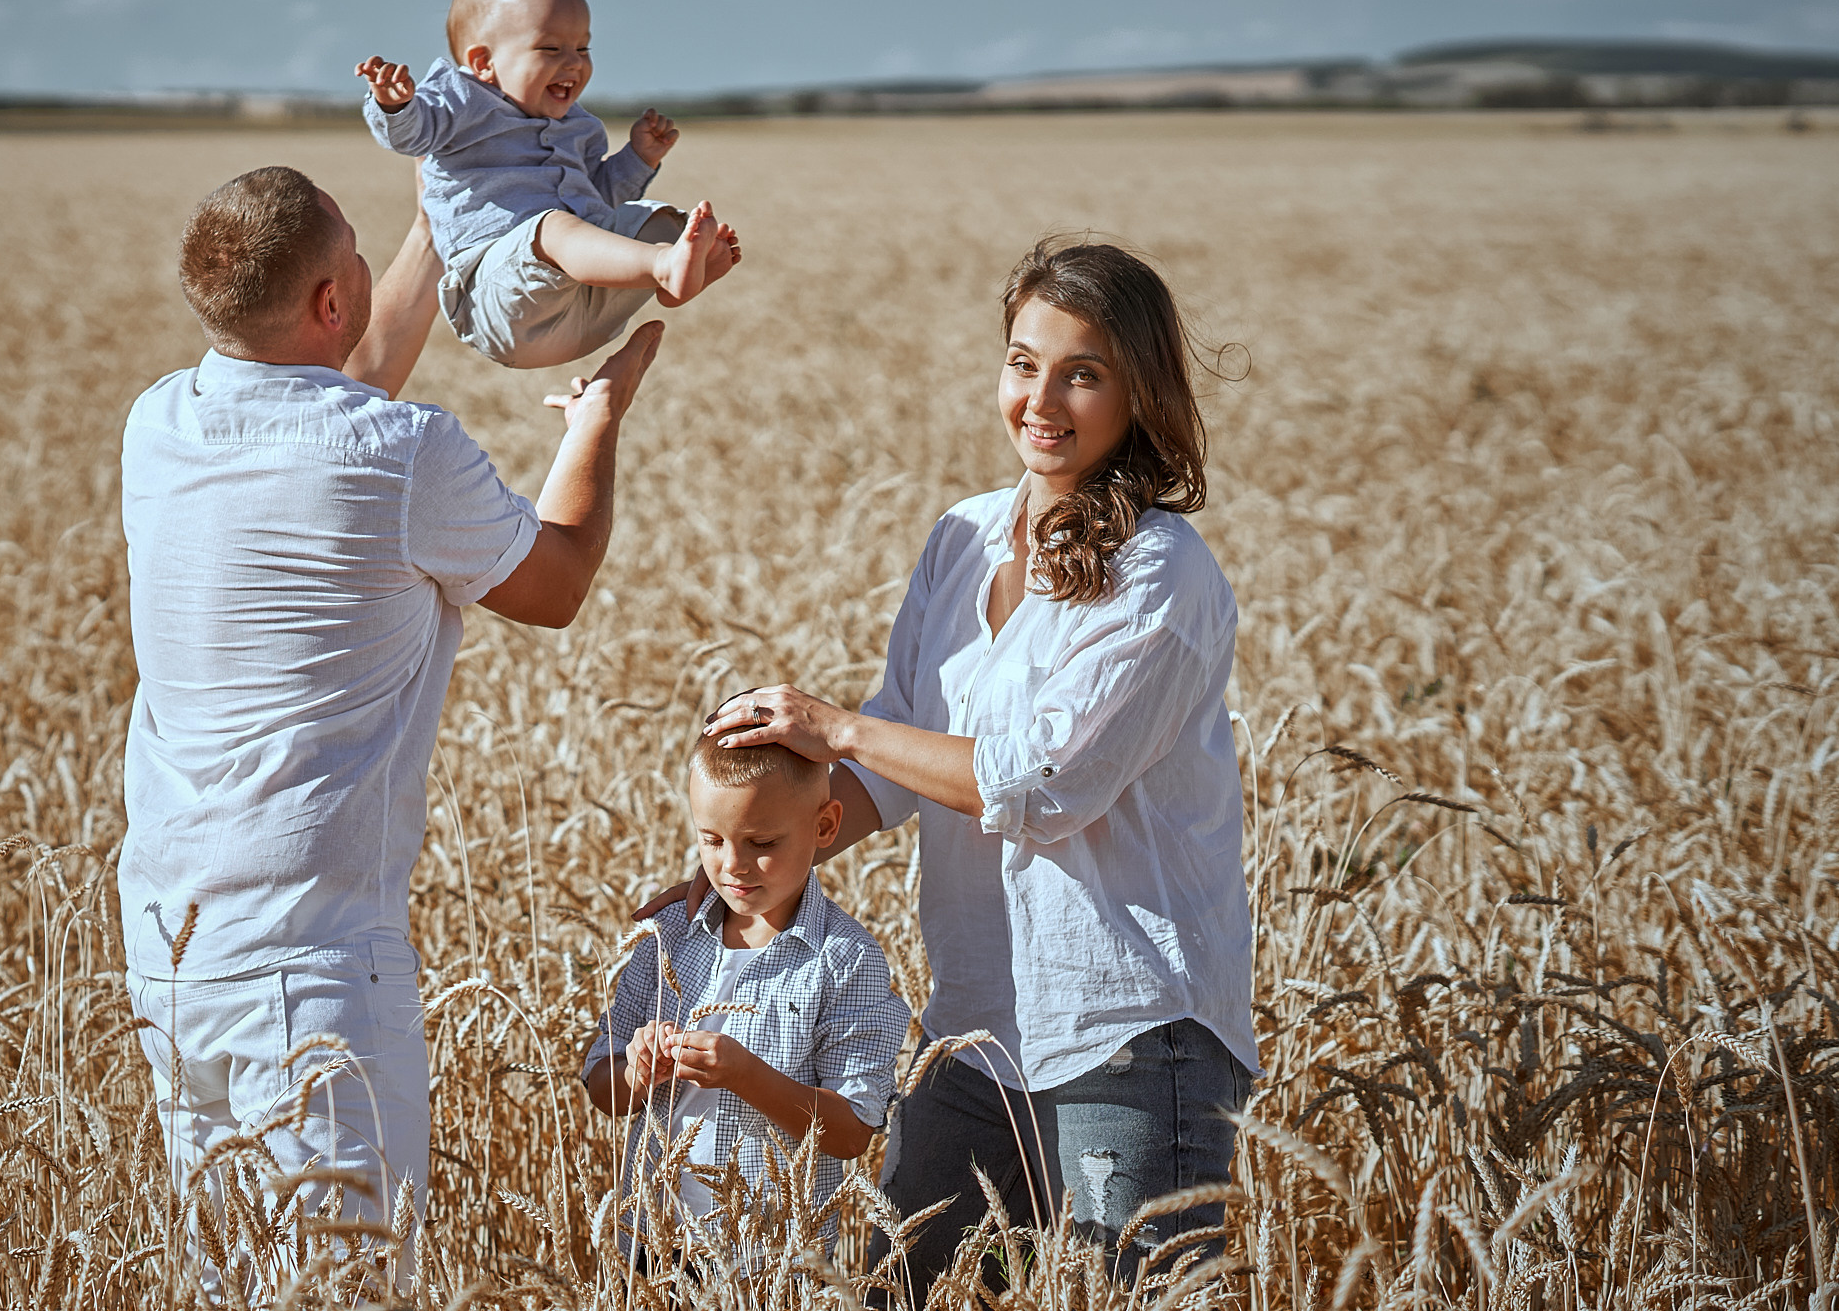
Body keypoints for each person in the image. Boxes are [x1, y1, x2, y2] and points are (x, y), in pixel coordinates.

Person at [118, 165, 661, 1294]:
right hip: (310, 974)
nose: (371, 274)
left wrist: (437, 213)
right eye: (358, 256)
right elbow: (554, 583)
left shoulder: (161, 422)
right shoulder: (404, 452)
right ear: (329, 300)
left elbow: (330, 395)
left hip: (173, 960)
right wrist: (596, 424)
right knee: (344, 1288)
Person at [694, 238, 1258, 1290]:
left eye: (1082, 373)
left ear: (1139, 390)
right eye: (1021, 362)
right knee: (891, 1284)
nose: (1041, 398)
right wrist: (748, 861)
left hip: (1126, 1029)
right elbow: (904, 754)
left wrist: (839, 728)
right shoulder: (962, 538)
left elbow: (1038, 784)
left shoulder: (1160, 573)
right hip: (977, 1030)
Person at [584, 732, 910, 1260]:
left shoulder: (846, 961)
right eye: (711, 840)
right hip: (653, 1244)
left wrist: (744, 1074)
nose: (732, 865)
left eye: (761, 844)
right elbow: (602, 1090)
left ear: (824, 826)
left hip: (771, 1260)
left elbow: (852, 1132)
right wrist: (638, 1071)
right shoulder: (665, 936)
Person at [356, 0, 741, 369]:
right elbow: (413, 135)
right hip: (500, 301)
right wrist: (396, 103)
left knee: (655, 217)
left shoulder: (577, 126)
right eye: (551, 48)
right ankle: (663, 266)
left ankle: (673, 275)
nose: (574, 62)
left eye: (583, 47)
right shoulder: (462, 101)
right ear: (483, 63)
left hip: (582, 308)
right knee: (554, 229)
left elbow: (595, 197)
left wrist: (638, 159)